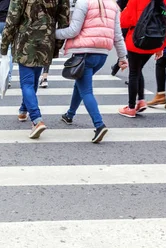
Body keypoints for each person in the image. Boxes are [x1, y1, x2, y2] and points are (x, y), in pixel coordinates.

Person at [56, 0, 128, 143]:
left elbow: (73, 30)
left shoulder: (84, 3)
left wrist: (53, 34)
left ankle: (99, 124)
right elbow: (117, 36)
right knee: (80, 85)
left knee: (86, 90)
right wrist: (122, 57)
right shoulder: (113, 6)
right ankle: (69, 115)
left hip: (84, 54)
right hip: (102, 55)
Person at [1, 0, 70, 139]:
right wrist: (57, 44)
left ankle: (36, 119)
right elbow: (64, 20)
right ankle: (23, 110)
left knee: (26, 83)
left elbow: (12, 18)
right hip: (47, 40)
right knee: (33, 80)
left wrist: (4, 44)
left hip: (26, 40)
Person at [119, 0, 166, 117]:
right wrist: (162, 46)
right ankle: (141, 101)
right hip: (155, 41)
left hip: (136, 40)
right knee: (139, 69)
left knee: (134, 72)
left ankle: (131, 108)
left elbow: (124, 21)